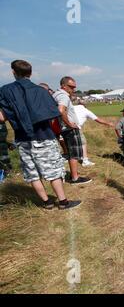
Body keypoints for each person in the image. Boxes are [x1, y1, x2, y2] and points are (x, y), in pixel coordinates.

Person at [0, 60, 81, 209]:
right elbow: (54, 113)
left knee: (32, 172)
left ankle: (46, 202)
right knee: (53, 171)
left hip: (23, 139)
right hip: (44, 136)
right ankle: (63, 202)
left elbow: (1, 117)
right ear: (30, 73)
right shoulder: (41, 91)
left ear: (13, 72)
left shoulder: (5, 90)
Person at [53, 76, 92, 185]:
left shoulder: (55, 94)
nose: (73, 89)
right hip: (69, 129)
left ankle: (73, 175)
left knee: (70, 153)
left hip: (63, 128)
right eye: (71, 87)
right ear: (63, 86)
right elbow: (61, 110)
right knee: (74, 154)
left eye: (74, 87)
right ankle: (75, 178)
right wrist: (70, 124)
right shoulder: (64, 96)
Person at [74, 101, 114, 167]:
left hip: (65, 126)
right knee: (83, 143)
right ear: (84, 105)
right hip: (75, 127)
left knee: (72, 143)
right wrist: (108, 123)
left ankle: (70, 156)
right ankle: (85, 161)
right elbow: (98, 120)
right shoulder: (86, 110)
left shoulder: (72, 107)